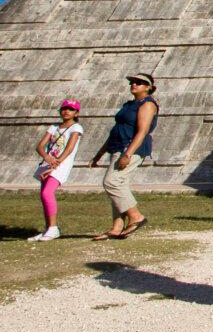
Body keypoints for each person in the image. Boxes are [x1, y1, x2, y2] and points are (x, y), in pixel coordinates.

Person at [89, 72, 159, 240]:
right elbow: (116, 130)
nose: (134, 84)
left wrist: (128, 154)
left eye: (139, 82)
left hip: (131, 148)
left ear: (148, 87)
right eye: (132, 82)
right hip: (118, 146)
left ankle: (136, 217)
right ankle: (117, 227)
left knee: (111, 182)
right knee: (120, 186)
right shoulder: (129, 104)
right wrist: (99, 154)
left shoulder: (148, 104)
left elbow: (142, 131)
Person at [27, 99, 84, 242]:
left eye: (70, 109)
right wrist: (47, 158)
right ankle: (48, 229)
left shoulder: (76, 128)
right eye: (64, 108)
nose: (66, 111)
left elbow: (69, 148)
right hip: (47, 163)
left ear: (76, 113)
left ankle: (53, 228)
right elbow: (40, 146)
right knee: (43, 195)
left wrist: (56, 163)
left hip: (61, 165)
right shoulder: (53, 127)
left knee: (47, 193)